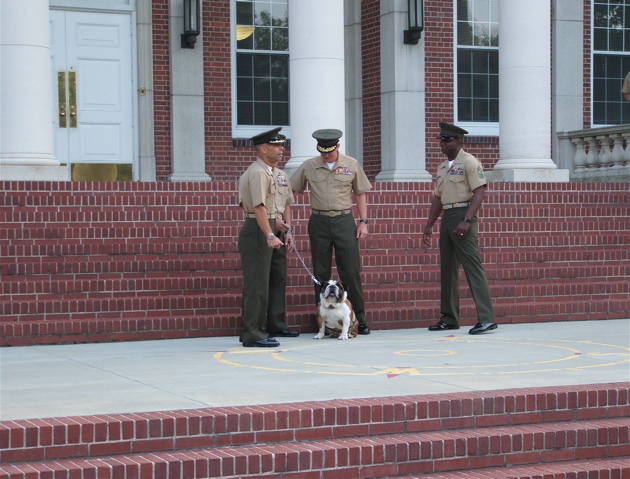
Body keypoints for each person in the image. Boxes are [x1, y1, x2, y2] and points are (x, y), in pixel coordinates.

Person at [290, 129, 372, 335]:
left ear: (338, 146)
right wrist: (286, 220)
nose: (326, 155)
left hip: (344, 219)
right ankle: (323, 321)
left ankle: (357, 320)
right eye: (322, 152)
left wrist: (363, 221)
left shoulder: (351, 164)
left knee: (350, 271)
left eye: (329, 151)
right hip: (319, 220)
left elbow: (360, 193)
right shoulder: (309, 165)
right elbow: (292, 190)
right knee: (320, 272)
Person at [422, 122, 497, 335]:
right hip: (448, 215)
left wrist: (466, 219)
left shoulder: (470, 162)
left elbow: (480, 192)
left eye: (447, 140)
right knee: (448, 269)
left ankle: (486, 318)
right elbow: (438, 197)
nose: (442, 144)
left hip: (463, 215)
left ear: (459, 141)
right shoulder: (442, 167)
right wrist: (429, 225)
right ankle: (449, 317)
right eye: (441, 140)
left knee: (472, 267)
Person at [237, 127, 300, 347]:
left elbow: (287, 204)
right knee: (258, 283)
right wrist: (270, 233)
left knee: (277, 279)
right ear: (263, 149)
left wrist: (287, 230)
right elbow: (257, 206)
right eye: (277, 145)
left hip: (276, 226)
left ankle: (276, 324)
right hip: (259, 228)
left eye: (282, 145)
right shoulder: (257, 173)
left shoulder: (279, 174)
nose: (282, 149)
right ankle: (253, 332)